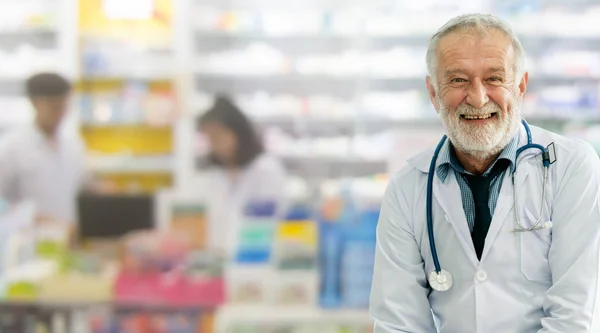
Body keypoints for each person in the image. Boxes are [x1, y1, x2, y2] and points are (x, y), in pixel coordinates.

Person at [369, 14, 600, 332]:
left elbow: (575, 319)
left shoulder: (572, 168)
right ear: (434, 94)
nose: (477, 98)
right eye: (458, 80)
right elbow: (399, 322)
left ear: (520, 86)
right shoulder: (408, 187)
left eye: (494, 78)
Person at [197, 95, 287, 253]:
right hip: (220, 257)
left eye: (218, 137)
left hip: (256, 258)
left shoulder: (265, 169)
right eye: (210, 139)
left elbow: (271, 223)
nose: (214, 145)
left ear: (237, 133)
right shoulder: (215, 173)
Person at [0, 72, 86, 224]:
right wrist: (27, 217)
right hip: (27, 239)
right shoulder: (12, 147)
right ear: (34, 103)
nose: (60, 112)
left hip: (66, 235)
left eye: (64, 104)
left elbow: (79, 185)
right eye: (53, 105)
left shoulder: (73, 144)